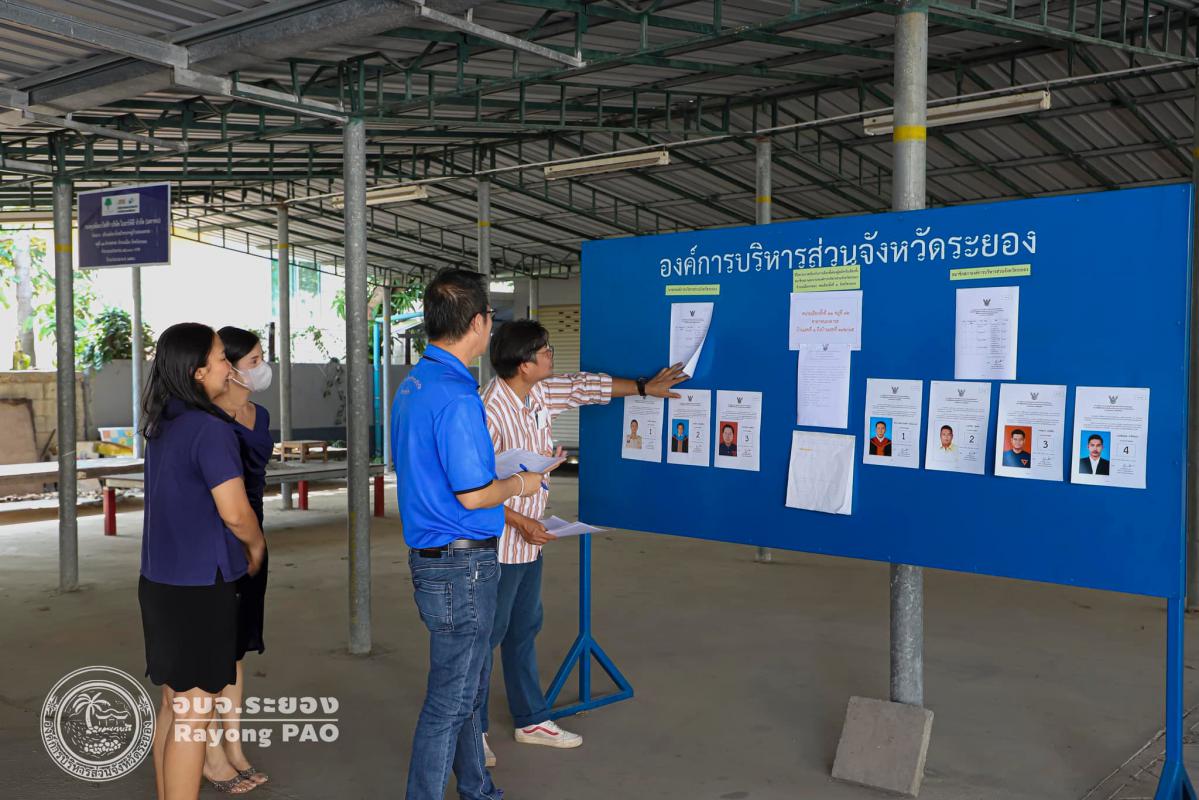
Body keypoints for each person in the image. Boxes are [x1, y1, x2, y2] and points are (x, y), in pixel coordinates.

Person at [480, 319, 685, 765]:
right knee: (485, 637)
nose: (552, 355)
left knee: (523, 630)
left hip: (530, 541)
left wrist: (645, 388)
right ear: (523, 364)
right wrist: (519, 521)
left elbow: (585, 387)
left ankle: (531, 719)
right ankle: (471, 732)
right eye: (544, 351)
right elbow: (473, 491)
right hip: (497, 545)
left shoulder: (538, 392)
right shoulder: (487, 411)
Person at [391, 269, 555, 800]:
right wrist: (523, 482)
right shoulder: (458, 397)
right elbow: (474, 494)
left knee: (466, 690)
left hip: (434, 557)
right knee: (451, 699)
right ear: (479, 322)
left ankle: (478, 788)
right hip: (462, 565)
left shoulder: (414, 385)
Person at [138, 323, 266, 800]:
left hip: (159, 582)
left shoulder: (162, 422)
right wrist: (256, 545)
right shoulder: (210, 430)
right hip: (199, 585)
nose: (227, 367)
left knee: (174, 706)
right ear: (197, 372)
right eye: (220, 358)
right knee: (194, 718)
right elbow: (235, 513)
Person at [199, 326, 275, 794]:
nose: (263, 368)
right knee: (210, 649)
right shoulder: (207, 420)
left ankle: (235, 746)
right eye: (254, 360)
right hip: (219, 535)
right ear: (227, 367)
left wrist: (256, 539)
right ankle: (209, 755)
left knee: (236, 646)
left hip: (254, 530)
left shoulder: (258, 415)